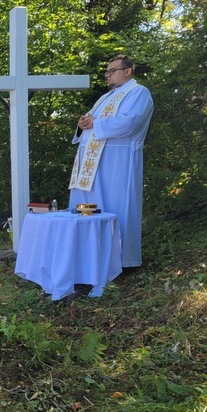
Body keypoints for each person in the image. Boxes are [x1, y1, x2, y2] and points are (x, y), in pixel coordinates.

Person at [69, 55, 154, 268]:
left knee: (115, 205)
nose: (108, 75)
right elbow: (91, 123)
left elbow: (130, 121)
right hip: (91, 163)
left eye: (112, 71)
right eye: (107, 72)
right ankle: (88, 259)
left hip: (117, 162)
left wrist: (96, 123)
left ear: (128, 71)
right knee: (90, 207)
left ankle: (119, 261)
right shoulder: (106, 97)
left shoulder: (138, 93)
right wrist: (82, 123)